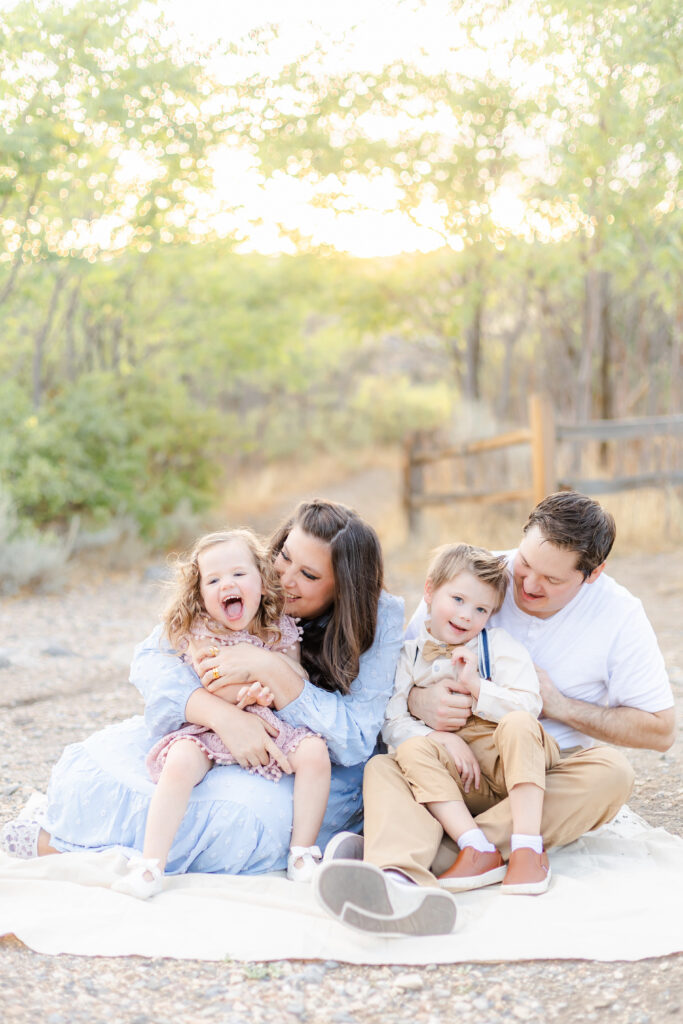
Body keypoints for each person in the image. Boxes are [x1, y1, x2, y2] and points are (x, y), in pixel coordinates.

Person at [315, 491, 675, 936]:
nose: (527, 584)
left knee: (612, 774)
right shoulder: (477, 579)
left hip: (538, 778)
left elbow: (660, 731)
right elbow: (403, 672)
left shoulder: (619, 616)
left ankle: (407, 863)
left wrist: (557, 704)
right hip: (448, 768)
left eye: (551, 580)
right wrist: (418, 703)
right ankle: (406, 871)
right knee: (387, 767)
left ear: (593, 574)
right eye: (525, 564)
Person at [1, 500, 404, 881]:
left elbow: (355, 738)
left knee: (237, 818)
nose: (285, 578)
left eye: (310, 575)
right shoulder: (247, 576)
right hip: (211, 730)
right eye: (284, 555)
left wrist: (269, 667)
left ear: (344, 587)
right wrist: (222, 716)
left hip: (301, 756)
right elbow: (151, 658)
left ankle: (92, 851)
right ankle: (97, 850)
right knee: (99, 773)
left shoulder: (378, 618)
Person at [112, 528, 331, 898]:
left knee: (315, 754)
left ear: (263, 582)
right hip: (208, 727)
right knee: (179, 762)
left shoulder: (279, 629)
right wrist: (240, 688)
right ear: (199, 595)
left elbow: (297, 677)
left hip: (268, 722)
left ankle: (301, 852)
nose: (225, 583)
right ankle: (151, 864)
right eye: (213, 580)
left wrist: (269, 679)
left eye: (238, 574)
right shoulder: (199, 631)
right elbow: (205, 682)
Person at [384, 542, 557, 897]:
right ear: (430, 590)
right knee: (405, 752)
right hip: (458, 775)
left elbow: (530, 706)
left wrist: (478, 688)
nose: (466, 616)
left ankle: (527, 847)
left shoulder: (498, 645)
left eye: (481, 609)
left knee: (520, 722)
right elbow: (391, 719)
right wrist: (438, 737)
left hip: (508, 759)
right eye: (458, 600)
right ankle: (476, 846)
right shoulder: (408, 654)